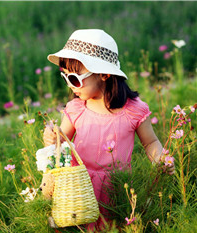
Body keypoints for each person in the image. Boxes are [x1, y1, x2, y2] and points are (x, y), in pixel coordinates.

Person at [43, 29, 175, 230]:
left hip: (117, 188)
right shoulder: (77, 108)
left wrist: (161, 159)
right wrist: (52, 139)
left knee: (114, 227)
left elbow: (150, 142)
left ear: (104, 74)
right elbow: (61, 144)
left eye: (75, 79)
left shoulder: (133, 110)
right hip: (81, 188)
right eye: (66, 78)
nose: (71, 86)